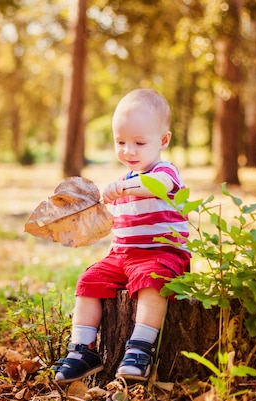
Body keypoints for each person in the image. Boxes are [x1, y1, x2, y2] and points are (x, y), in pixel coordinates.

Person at [53, 88, 191, 383]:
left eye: (139, 142)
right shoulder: (123, 180)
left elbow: (157, 185)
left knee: (152, 282)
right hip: (122, 256)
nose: (129, 150)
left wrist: (125, 188)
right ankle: (82, 349)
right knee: (89, 281)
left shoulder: (164, 171)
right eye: (121, 142)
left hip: (161, 254)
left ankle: (140, 347)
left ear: (163, 140)